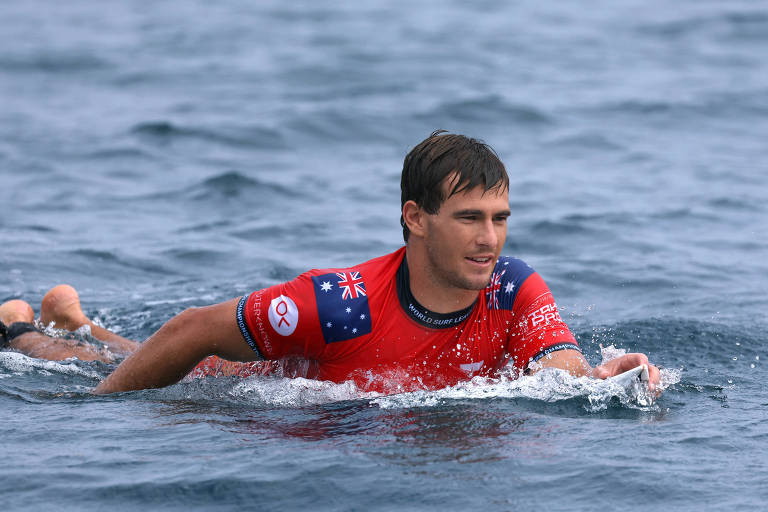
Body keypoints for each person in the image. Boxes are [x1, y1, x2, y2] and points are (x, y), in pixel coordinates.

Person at [3, 131, 660, 394]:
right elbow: (191, 330)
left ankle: (75, 317)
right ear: (415, 218)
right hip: (225, 381)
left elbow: (555, 363)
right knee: (122, 366)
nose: (489, 238)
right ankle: (29, 331)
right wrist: (97, 418)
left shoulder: (514, 286)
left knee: (123, 347)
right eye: (469, 218)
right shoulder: (337, 304)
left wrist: (599, 378)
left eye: (499, 218)